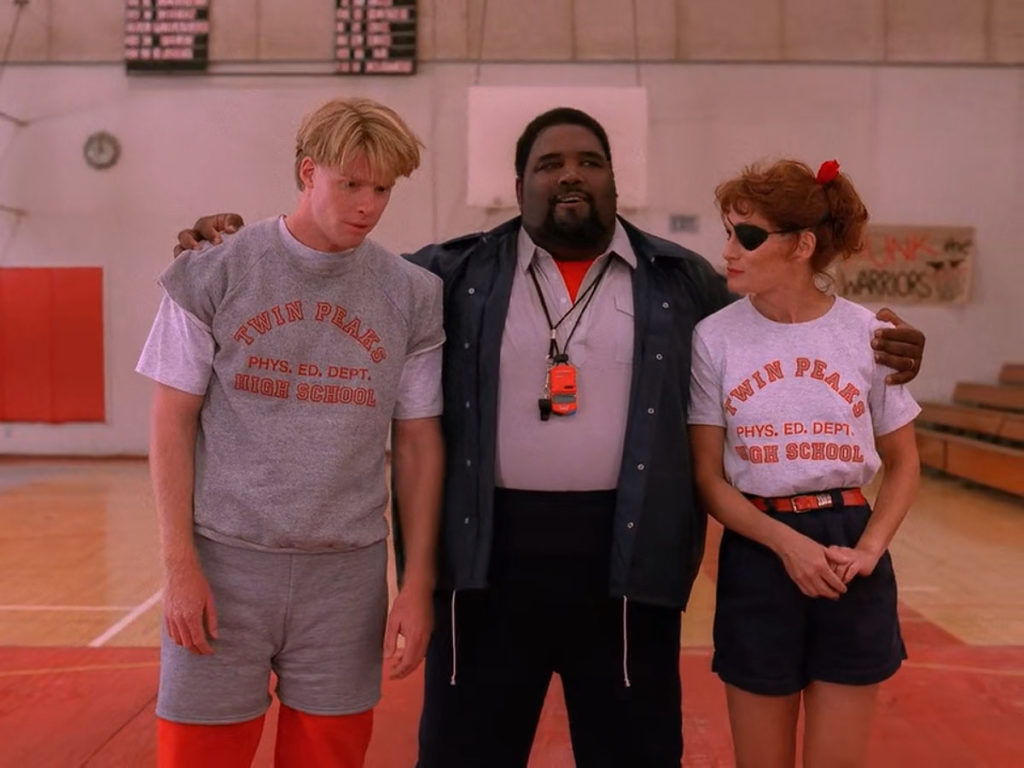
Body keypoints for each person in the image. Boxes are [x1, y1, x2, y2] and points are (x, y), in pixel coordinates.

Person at [175, 109, 926, 767]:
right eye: (550, 163)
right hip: (488, 557)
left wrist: (890, 345)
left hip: (628, 559)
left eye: (590, 161)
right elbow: (339, 273)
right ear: (519, 184)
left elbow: (788, 316)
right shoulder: (447, 273)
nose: (572, 174)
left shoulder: (684, 278)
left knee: (634, 750)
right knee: (465, 749)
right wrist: (237, 245)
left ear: (614, 181)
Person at [138, 97, 444, 768]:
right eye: (351, 184)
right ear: (310, 172)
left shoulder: (413, 295)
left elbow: (420, 445)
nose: (368, 204)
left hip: (347, 577)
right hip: (223, 565)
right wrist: (178, 565)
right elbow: (169, 422)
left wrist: (417, 581)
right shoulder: (212, 269)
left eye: (384, 188)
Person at [688, 158, 920, 768]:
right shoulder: (713, 337)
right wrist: (786, 545)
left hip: (849, 554)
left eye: (749, 235)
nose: (730, 249)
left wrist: (868, 551)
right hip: (760, 550)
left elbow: (903, 462)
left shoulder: (871, 334)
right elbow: (709, 479)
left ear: (803, 245)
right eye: (729, 231)